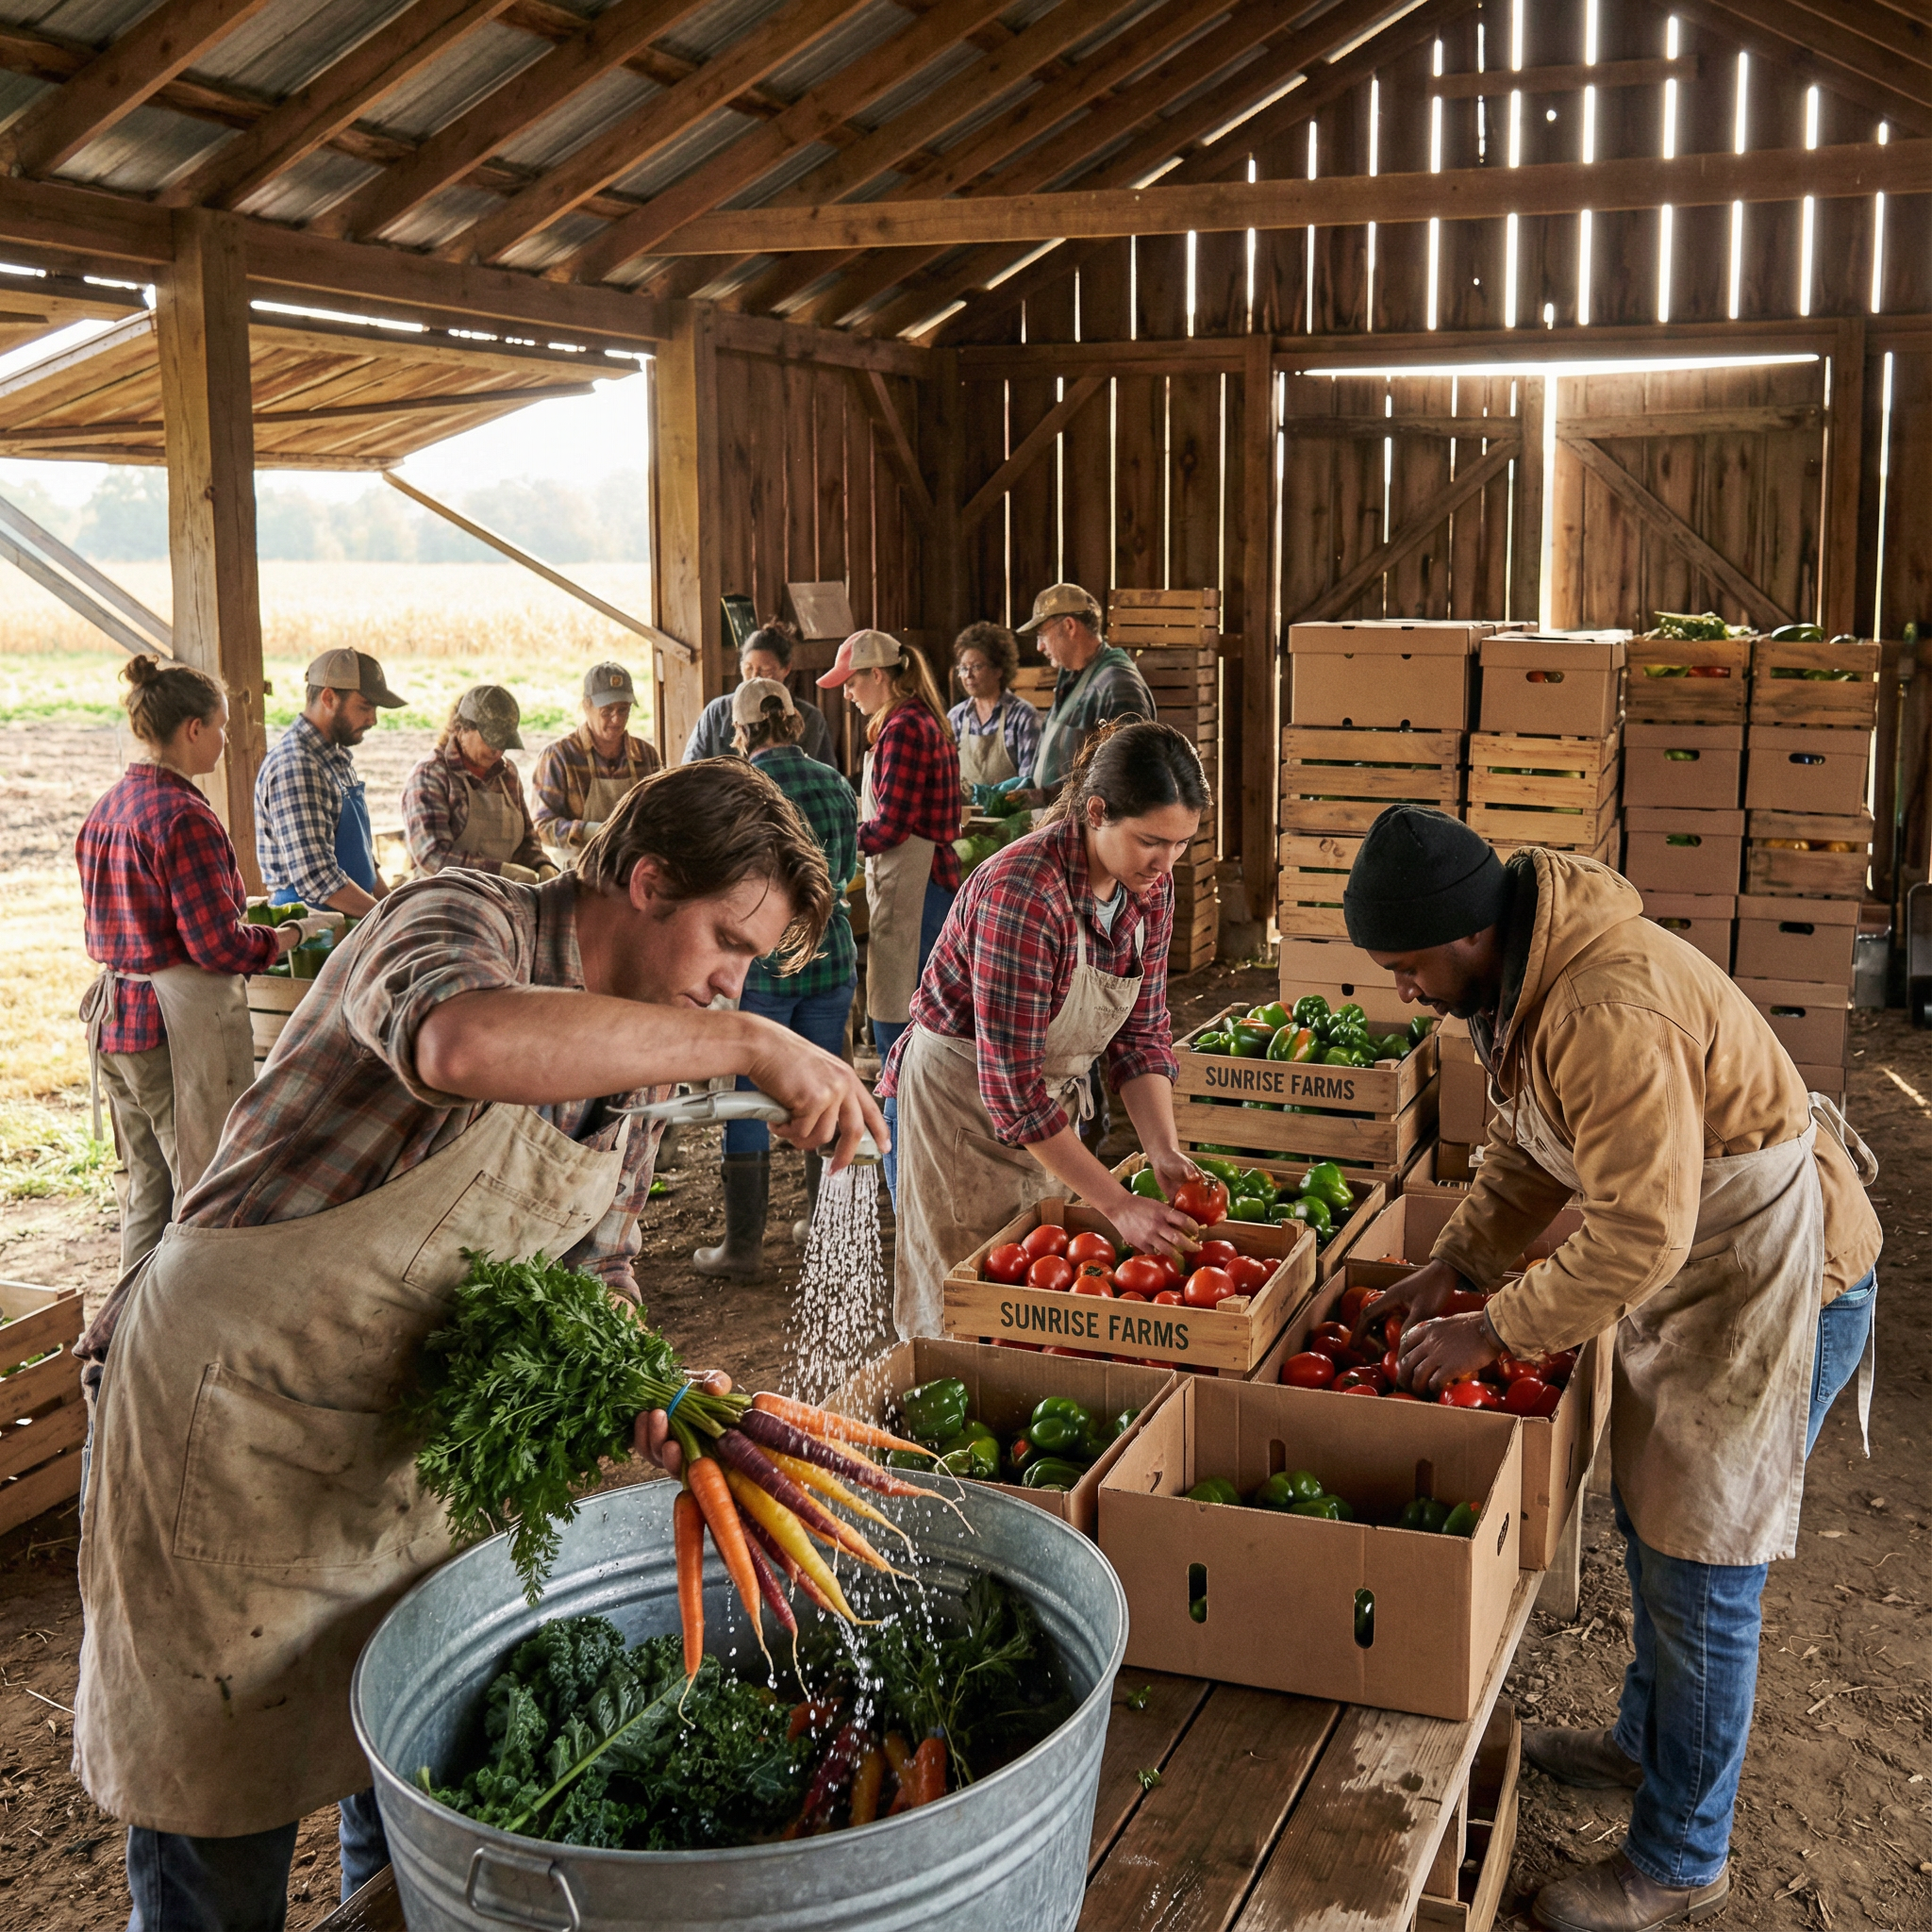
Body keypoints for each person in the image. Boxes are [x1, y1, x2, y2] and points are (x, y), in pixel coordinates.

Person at [73, 760, 886, 1931]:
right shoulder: (462, 911)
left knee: (410, 1766)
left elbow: (595, 1259)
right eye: (726, 941)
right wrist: (744, 1040)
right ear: (649, 880)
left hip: (394, 1433)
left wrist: (645, 1378)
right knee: (220, 1799)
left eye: (749, 968)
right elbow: (455, 1040)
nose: (729, 980)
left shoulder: (634, 1069)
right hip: (234, 1412)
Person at [1341, 808, 1881, 1932]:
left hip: (1776, 1276)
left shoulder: (1602, 1008)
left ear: (1468, 933)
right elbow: (1526, 1153)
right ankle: (1642, 1743)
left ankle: (1682, 1855)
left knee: (1704, 1568)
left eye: (1406, 966)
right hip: (1704, 1267)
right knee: (1653, 1520)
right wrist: (1456, 1263)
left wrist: (1493, 1328)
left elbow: (1637, 1232)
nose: (1400, 988)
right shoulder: (1518, 988)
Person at [880, 720, 1209, 1338]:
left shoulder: (1149, 891)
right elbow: (1011, 1090)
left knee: (1037, 1299)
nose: (1166, 863)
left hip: (1045, 1110)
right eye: (1150, 841)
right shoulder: (1025, 895)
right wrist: (1116, 1202)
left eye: (1182, 844)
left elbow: (1142, 1036)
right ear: (1096, 812)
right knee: (966, 1308)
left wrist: (1162, 1149)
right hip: (961, 1106)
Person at [75, 658, 331, 1273]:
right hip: (172, 1027)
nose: (224, 740)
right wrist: (288, 935)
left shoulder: (109, 806)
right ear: (193, 729)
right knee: (201, 1184)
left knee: (146, 1186)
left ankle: (130, 1312)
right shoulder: (184, 816)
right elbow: (217, 947)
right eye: (220, 727)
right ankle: (186, 1309)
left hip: (115, 1016)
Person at [693, 679, 859, 1278]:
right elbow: (848, 867)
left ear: (741, 731)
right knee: (824, 1087)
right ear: (793, 722)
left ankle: (743, 1250)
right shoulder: (835, 783)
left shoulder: (741, 791)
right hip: (831, 956)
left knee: (748, 1099)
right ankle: (823, 1230)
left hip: (763, 963)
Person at [817, 630, 960, 1085]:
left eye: (852, 682)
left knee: (903, 1024)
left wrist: (834, 840)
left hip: (917, 892)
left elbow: (892, 827)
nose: (847, 693)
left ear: (877, 674)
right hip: (923, 884)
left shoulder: (903, 730)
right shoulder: (916, 719)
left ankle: (901, 1117)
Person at [255, 647, 405, 913]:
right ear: (328, 698)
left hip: (352, 919)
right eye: (364, 707)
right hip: (312, 927)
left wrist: (394, 907)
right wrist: (386, 920)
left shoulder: (335, 759)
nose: (373, 719)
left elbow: (361, 858)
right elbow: (317, 879)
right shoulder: (297, 766)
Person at [1015, 583, 1154, 801]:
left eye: (1042, 635)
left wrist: (1045, 795)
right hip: (1063, 818)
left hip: (1089, 821)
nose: (1039, 647)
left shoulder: (1118, 684)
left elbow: (1124, 774)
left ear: (1069, 626)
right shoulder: (1071, 676)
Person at [402, 684, 554, 882]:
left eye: (504, 743)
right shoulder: (430, 775)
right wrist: (500, 871)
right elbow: (433, 857)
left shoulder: (507, 774)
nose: (497, 751)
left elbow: (527, 840)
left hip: (502, 889)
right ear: (460, 729)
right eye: (491, 741)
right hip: (444, 891)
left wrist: (541, 864)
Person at [530, 659, 660, 869]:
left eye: (623, 710)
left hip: (630, 866)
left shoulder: (645, 755)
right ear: (586, 706)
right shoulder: (559, 756)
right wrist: (592, 831)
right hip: (577, 869)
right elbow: (542, 827)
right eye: (607, 711)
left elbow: (660, 816)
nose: (616, 720)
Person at [683, 621, 839, 767]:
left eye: (765, 670)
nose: (755, 676)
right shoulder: (717, 712)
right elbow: (690, 768)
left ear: (786, 669)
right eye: (748, 668)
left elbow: (825, 771)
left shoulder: (810, 718)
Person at [948, 621, 1041, 790]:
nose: (968, 675)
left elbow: (1029, 783)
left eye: (976, 667)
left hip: (1010, 807)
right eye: (963, 668)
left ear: (998, 670)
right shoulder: (955, 717)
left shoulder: (1023, 717)